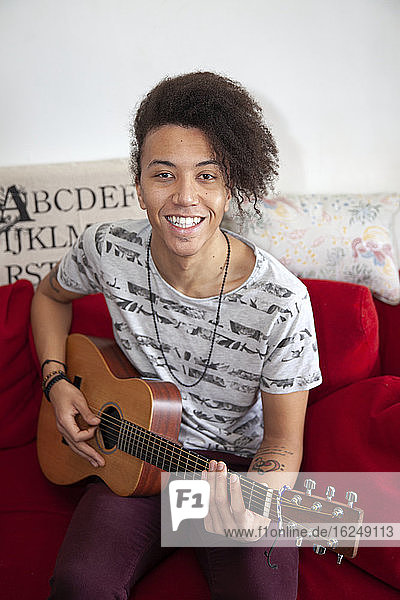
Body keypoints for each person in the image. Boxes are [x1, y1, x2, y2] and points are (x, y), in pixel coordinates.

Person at [31, 71, 322, 600]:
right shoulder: (107, 247)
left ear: (231, 186)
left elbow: (282, 445)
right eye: (164, 175)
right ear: (138, 185)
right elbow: (49, 297)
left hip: (231, 472)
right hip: (134, 450)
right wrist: (56, 383)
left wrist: (253, 504)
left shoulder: (282, 303)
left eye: (206, 176)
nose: (185, 197)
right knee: (79, 585)